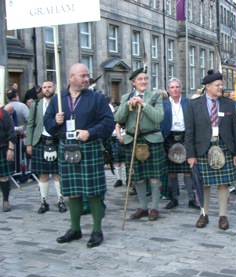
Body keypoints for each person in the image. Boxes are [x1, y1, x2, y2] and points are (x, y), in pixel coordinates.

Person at [44, 63, 115, 248]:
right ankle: (75, 229)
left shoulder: (97, 98)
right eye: (83, 76)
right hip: (66, 147)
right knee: (72, 192)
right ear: (71, 77)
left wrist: (90, 132)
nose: (86, 79)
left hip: (89, 147)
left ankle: (97, 231)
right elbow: (48, 125)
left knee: (94, 192)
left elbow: (108, 123)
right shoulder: (58, 99)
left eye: (87, 75)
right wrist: (55, 121)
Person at [185, 70, 236, 230]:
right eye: (217, 85)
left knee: (224, 183)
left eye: (221, 85)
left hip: (224, 147)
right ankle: (204, 214)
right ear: (208, 87)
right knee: (204, 184)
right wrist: (191, 155)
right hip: (203, 148)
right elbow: (189, 132)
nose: (221, 87)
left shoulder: (229, 103)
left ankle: (223, 216)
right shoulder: (194, 105)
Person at [114, 66, 166, 222]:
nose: (144, 81)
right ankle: (143, 207)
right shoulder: (125, 98)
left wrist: (143, 104)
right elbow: (118, 118)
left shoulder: (155, 97)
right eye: (140, 79)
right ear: (133, 83)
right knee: (138, 176)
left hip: (151, 139)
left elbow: (158, 118)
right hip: (132, 140)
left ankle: (155, 208)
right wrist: (129, 105)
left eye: (145, 79)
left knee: (154, 176)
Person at [25, 80, 66, 214]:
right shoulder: (36, 104)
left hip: (57, 140)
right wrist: (29, 143)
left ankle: (61, 200)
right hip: (40, 140)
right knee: (42, 174)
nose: (47, 89)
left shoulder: (60, 103)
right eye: (44, 87)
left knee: (57, 173)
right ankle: (44, 201)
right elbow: (30, 124)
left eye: (49, 87)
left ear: (54, 88)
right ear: (41, 90)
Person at [160, 77, 200, 210]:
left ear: (181, 89)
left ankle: (191, 198)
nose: (175, 89)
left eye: (177, 87)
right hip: (169, 138)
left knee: (188, 170)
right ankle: (174, 198)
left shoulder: (188, 103)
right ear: (168, 90)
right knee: (171, 172)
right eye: (172, 87)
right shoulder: (163, 104)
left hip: (185, 137)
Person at [0, 106, 17, 212]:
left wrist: (11, 148)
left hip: (1, 149)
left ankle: (5, 201)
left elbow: (11, 132)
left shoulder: (3, 113)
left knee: (3, 177)